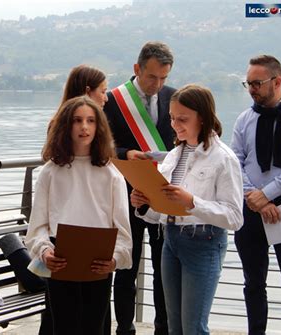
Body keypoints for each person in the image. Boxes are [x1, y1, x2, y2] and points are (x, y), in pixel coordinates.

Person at [131, 84, 243, 334]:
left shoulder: (224, 158)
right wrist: (144, 205)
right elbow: (163, 211)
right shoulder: (173, 155)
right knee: (175, 326)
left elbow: (235, 218)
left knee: (193, 328)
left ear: (202, 117)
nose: (175, 124)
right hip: (170, 240)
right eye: (172, 118)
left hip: (204, 243)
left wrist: (192, 202)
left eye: (182, 119)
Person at [25, 96, 133, 335]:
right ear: (66, 126)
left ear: (99, 126)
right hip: (59, 260)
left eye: (91, 120)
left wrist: (115, 259)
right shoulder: (50, 172)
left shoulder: (111, 175)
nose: (84, 127)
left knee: (94, 328)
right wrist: (44, 250)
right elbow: (36, 228)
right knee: (63, 328)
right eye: (77, 120)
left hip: (98, 263)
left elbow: (123, 232)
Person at [103, 41, 175, 335]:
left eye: (163, 78)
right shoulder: (113, 100)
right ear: (137, 69)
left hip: (162, 196)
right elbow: (102, 146)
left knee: (164, 272)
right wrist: (124, 153)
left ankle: (163, 328)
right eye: (152, 77)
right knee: (125, 270)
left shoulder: (175, 97)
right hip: (125, 196)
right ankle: (124, 329)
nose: (157, 85)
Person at [231, 55, 281, 335]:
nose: (252, 89)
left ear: (278, 81)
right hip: (251, 207)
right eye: (248, 83)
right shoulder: (245, 119)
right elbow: (235, 161)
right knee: (253, 282)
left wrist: (268, 194)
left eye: (257, 83)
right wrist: (256, 199)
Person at [39, 64, 110, 335]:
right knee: (63, 316)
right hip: (62, 238)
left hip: (93, 245)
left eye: (90, 122)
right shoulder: (55, 167)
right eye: (103, 91)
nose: (106, 97)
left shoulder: (107, 172)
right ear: (87, 91)